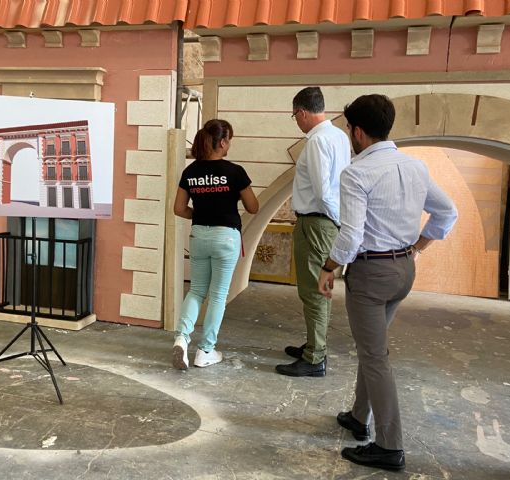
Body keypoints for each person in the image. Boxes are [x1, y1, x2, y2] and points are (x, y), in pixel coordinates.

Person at [318, 94, 458, 471]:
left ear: (358, 132)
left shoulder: (357, 173)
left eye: (349, 129)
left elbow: (350, 236)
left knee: (375, 357)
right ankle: (358, 416)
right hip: (403, 271)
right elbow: (448, 211)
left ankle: (389, 445)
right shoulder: (415, 167)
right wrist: (419, 246)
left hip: (370, 274)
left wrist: (328, 266)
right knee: (373, 346)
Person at [276, 87, 351, 378]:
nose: (296, 120)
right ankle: (315, 343)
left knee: (314, 290)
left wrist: (333, 220)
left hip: (318, 221)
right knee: (322, 287)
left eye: (295, 115)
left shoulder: (318, 141)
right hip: (326, 220)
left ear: (303, 112)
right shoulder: (339, 137)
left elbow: (322, 191)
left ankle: (315, 356)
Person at [172, 119, 259, 370]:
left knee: (197, 290)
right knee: (218, 295)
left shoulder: (191, 172)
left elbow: (178, 208)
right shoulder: (235, 172)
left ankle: (182, 337)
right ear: (222, 142)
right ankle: (206, 350)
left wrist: (200, 215)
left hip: (199, 235)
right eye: (229, 139)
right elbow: (253, 207)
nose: (229, 144)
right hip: (226, 237)